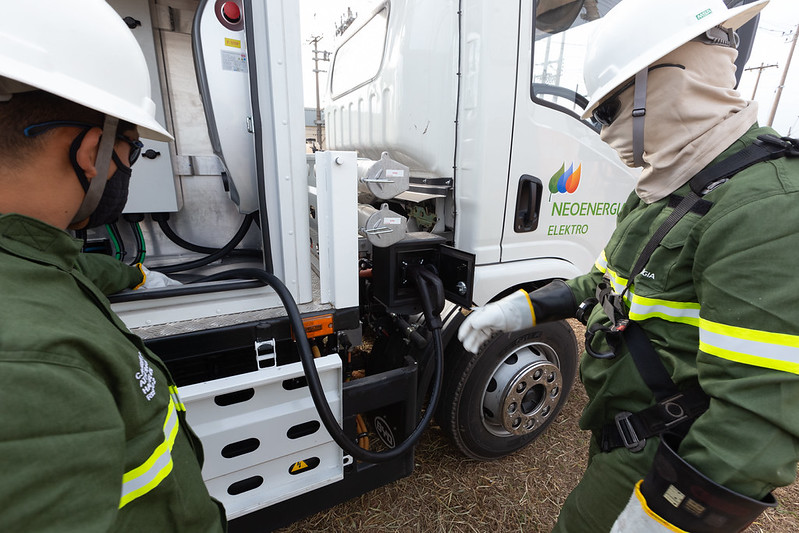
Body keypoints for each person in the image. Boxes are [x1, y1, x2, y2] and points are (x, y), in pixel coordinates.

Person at [459, 0, 799, 531]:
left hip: (673, 450)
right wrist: (524, 309)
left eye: (606, 111)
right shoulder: (670, 184)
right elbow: (608, 283)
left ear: (662, 85)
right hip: (628, 428)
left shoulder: (766, 205)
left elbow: (759, 412)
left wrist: (669, 517)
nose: (601, 132)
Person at [0, 1, 225, 531]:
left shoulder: (29, 254)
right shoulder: (33, 366)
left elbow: (68, 268)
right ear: (92, 151)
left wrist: (137, 274)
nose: (127, 165)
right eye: (131, 148)